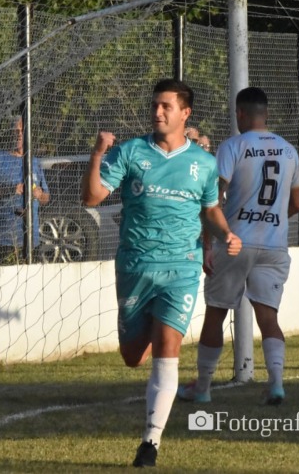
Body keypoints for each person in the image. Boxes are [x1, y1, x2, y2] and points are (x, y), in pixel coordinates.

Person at [81, 79, 242, 468]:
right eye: (155, 105)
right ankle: (152, 328)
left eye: (166, 106)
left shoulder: (203, 164)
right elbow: (92, 198)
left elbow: (209, 209)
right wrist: (98, 154)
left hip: (181, 268)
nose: (157, 112)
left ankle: (150, 443)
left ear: (185, 113)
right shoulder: (132, 151)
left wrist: (224, 233)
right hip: (136, 265)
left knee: (168, 349)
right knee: (133, 356)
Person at [177, 87, 299, 406]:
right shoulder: (289, 150)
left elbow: (213, 200)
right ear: (266, 113)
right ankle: (276, 385)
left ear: (240, 114)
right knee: (268, 317)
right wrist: (273, 217)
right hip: (274, 245)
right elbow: (298, 203)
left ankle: (203, 388)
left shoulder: (233, 146)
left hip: (234, 242)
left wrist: (208, 244)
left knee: (216, 314)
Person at [0, 118, 50, 266]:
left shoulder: (35, 162)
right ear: (10, 133)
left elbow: (46, 198)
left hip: (30, 241)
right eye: (16, 131)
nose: (19, 134)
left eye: (22, 131)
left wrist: (40, 195)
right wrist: (11, 190)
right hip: (1, 241)